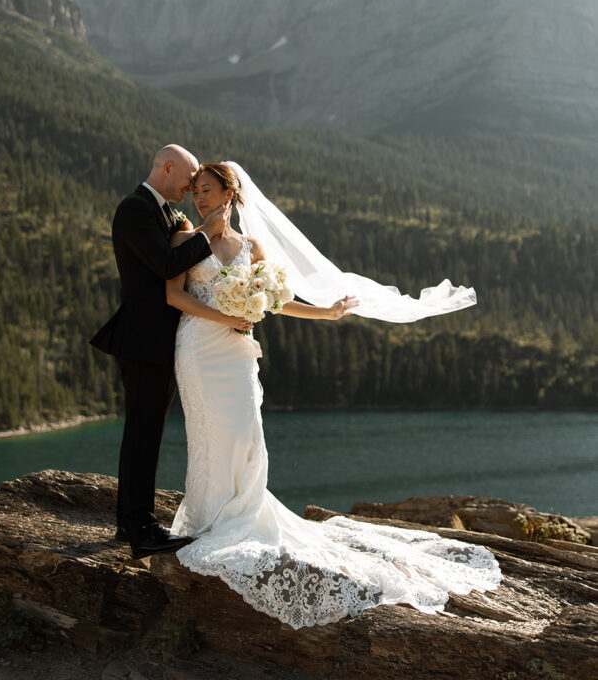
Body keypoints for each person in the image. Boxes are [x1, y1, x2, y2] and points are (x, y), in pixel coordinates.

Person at [164, 161, 500, 629]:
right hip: (200, 347)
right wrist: (226, 318)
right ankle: (206, 518)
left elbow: (274, 300)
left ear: (230, 193)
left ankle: (241, 513)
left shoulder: (251, 246)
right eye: (194, 191)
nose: (198, 198)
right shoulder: (183, 241)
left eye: (206, 190)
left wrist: (326, 312)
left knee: (246, 431)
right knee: (208, 434)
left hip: (237, 353)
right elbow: (174, 296)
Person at [90, 145, 235, 559]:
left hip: (159, 340)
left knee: (145, 431)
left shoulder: (166, 213)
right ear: (167, 169)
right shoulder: (134, 209)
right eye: (187, 180)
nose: (191, 188)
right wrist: (208, 232)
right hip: (142, 339)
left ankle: (128, 522)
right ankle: (140, 529)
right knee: (143, 433)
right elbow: (167, 265)